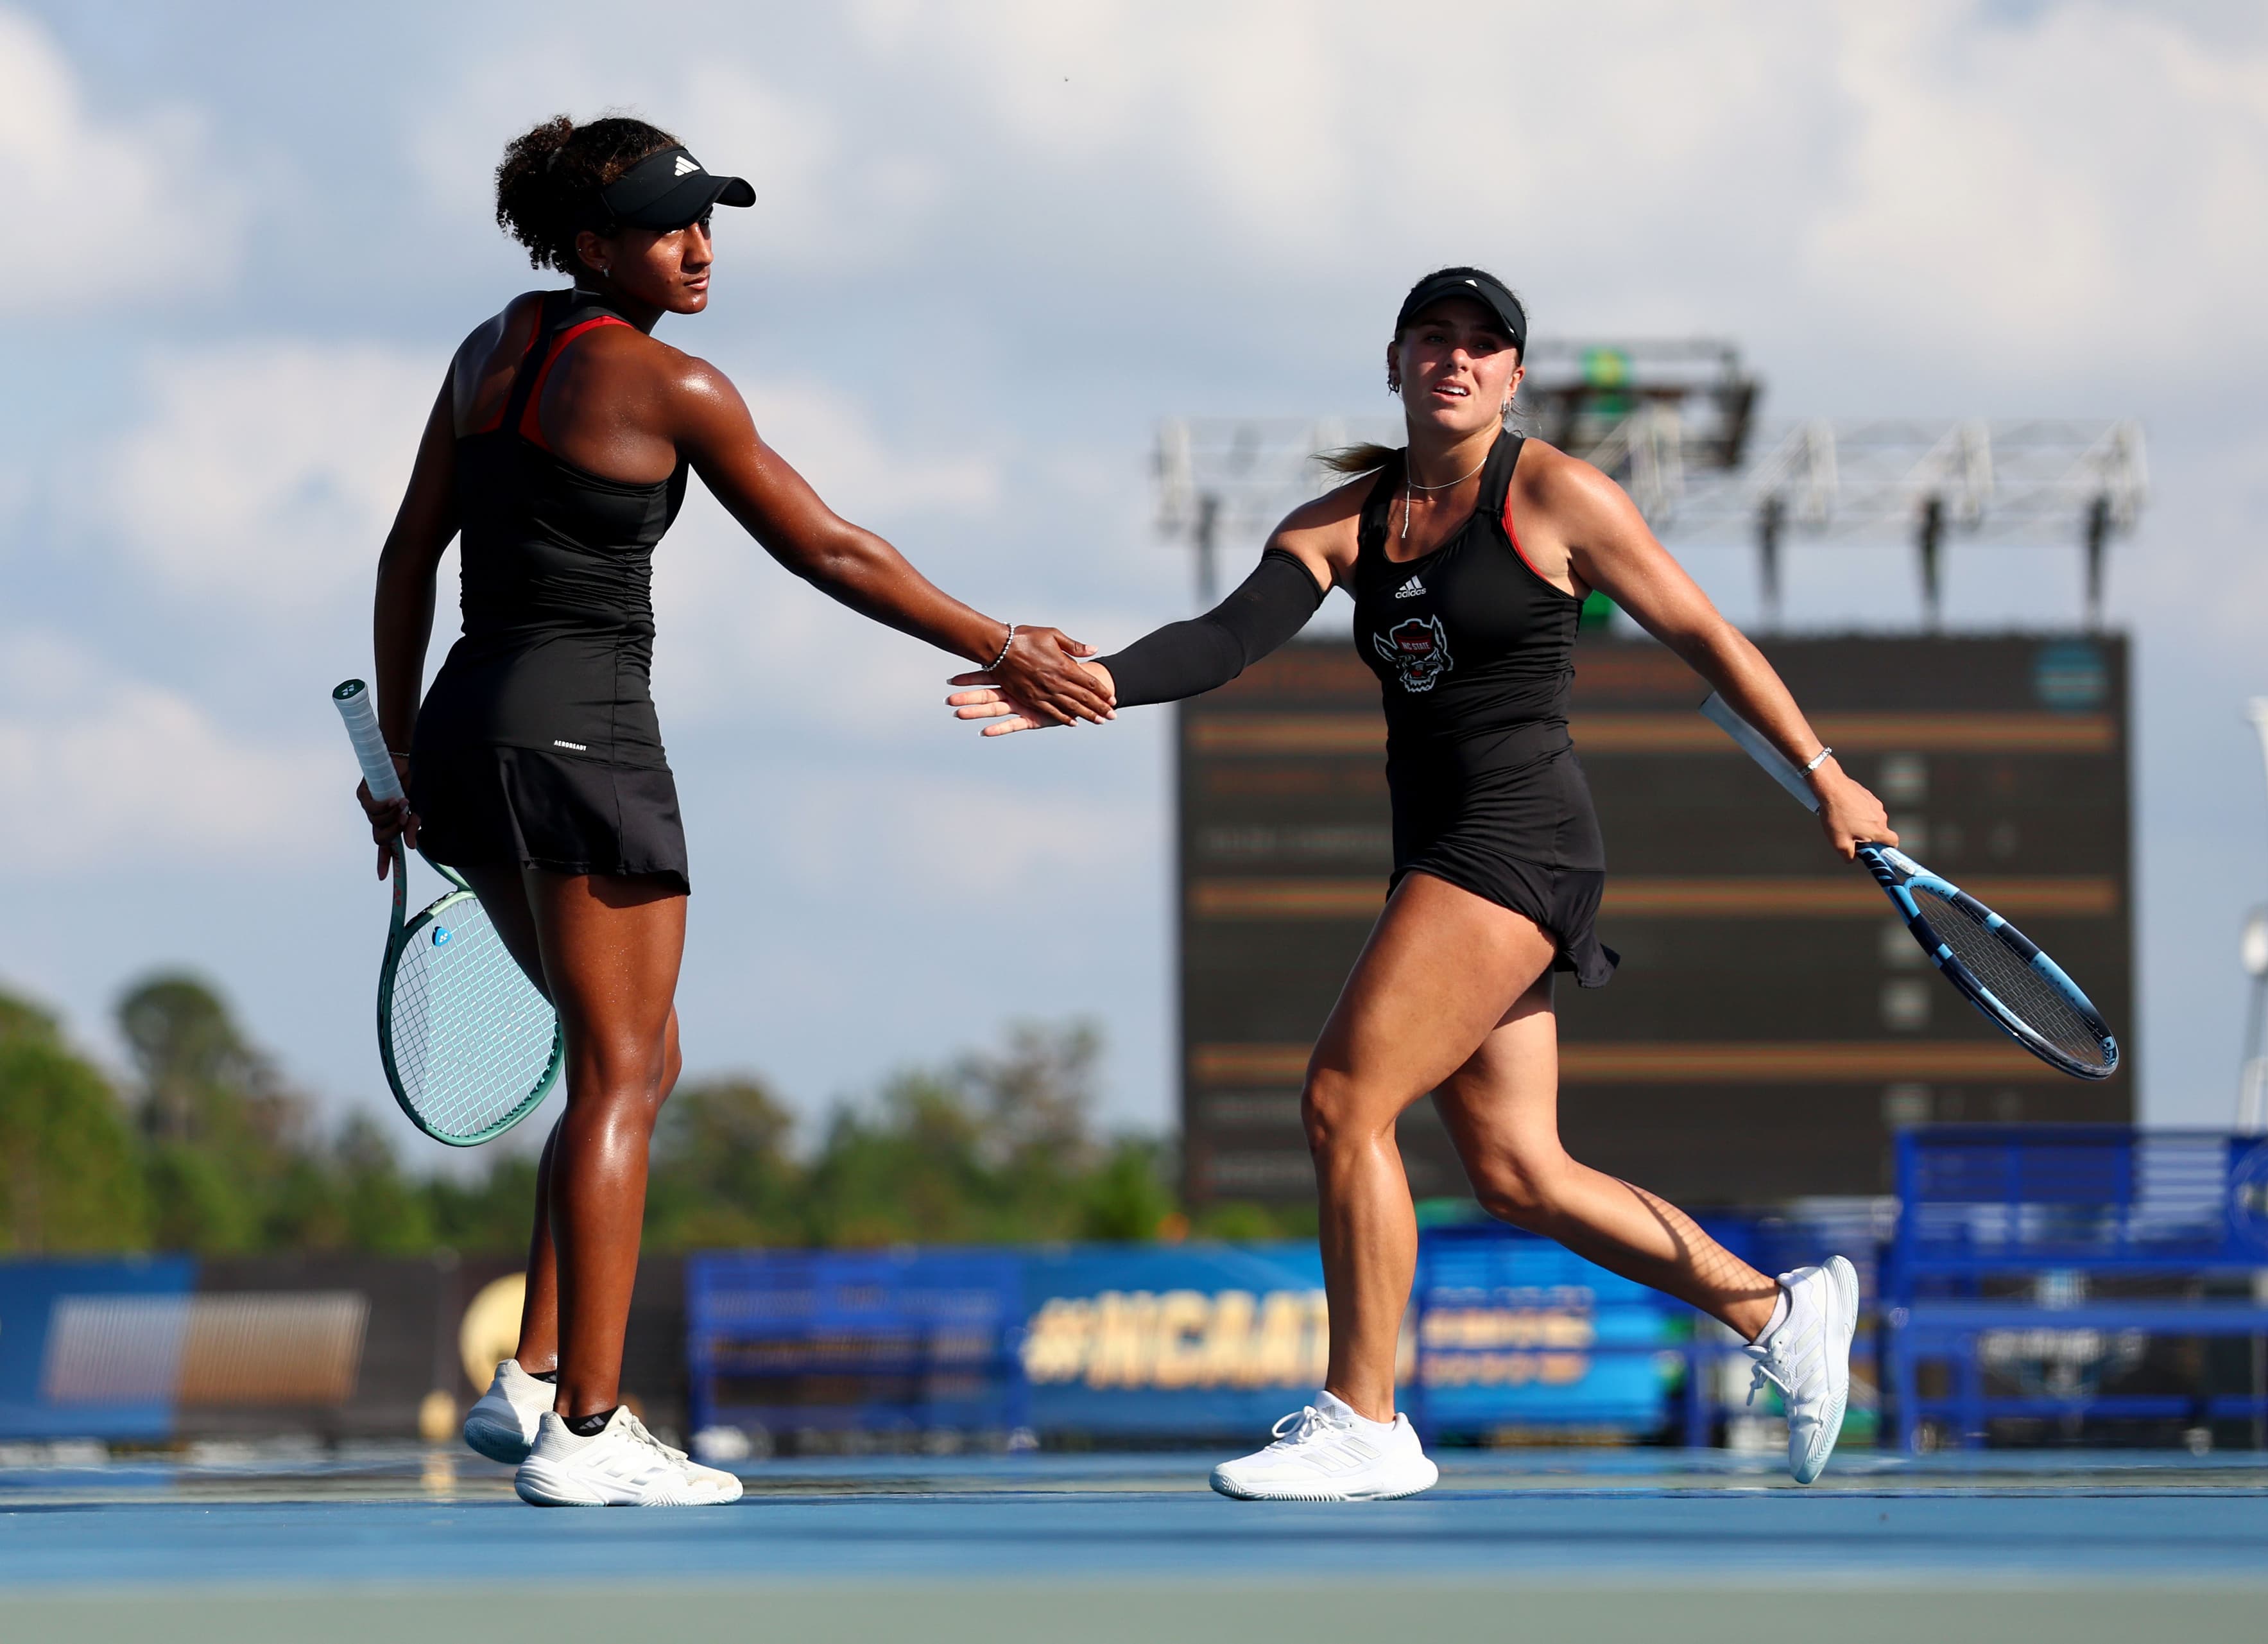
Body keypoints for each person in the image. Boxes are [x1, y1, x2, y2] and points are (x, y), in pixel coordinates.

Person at [950, 267, 1894, 1500]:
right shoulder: (1340, 523)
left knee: (1345, 1098)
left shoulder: (1557, 494)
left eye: (1482, 346)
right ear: (1393, 364)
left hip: (1518, 841)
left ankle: (1366, 1416)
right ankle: (1777, 1310)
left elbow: (1709, 636)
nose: (1456, 361)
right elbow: (1227, 640)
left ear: (1512, 377)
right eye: (1433, 340)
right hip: (1444, 848)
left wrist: (1826, 772)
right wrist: (1099, 680)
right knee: (1518, 1172)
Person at [358, 114, 1110, 1507]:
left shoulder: (490, 349)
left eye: (707, 218)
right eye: (666, 224)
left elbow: (414, 549)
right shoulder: (672, 385)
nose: (699, 245)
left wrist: (398, 752)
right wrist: (1004, 642)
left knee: (630, 1059)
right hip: (586, 744)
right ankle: (590, 1431)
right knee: (625, 1075)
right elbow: (829, 547)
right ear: (594, 246)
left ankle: (528, 1376)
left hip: (467, 734)